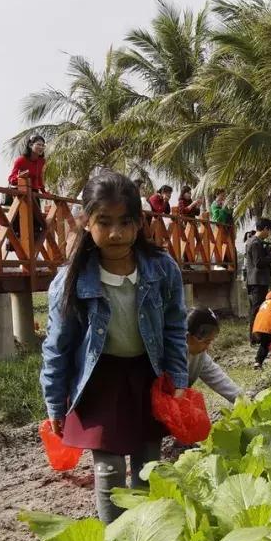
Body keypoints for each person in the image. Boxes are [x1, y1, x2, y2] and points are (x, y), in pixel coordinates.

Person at [40, 171, 186, 523]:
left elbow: (174, 326)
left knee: (148, 464)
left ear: (139, 223)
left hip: (146, 374)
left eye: (125, 222)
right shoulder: (71, 281)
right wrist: (55, 402)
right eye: (104, 222)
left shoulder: (161, 269)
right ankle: (114, 540)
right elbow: (57, 345)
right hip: (99, 380)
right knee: (107, 469)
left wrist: (178, 380)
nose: (116, 233)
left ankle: (147, 533)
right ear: (87, 223)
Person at [186, 307, 242, 404]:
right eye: (206, 342)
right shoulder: (169, 354)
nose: (208, 348)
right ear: (188, 337)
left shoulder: (200, 356)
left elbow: (218, 378)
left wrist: (243, 400)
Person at [6, 135, 48, 249]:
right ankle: (18, 249)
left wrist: (44, 192)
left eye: (42, 145)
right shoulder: (21, 160)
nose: (41, 147)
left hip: (34, 193)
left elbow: (39, 179)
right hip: (20, 193)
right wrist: (20, 176)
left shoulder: (41, 161)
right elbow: (11, 178)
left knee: (38, 224)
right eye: (38, 144)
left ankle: (32, 251)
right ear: (30, 145)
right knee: (20, 223)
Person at [246, 218, 271, 345]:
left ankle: (259, 337)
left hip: (258, 281)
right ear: (266, 228)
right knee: (256, 311)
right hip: (258, 282)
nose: (269, 233)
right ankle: (254, 339)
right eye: (269, 230)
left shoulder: (256, 241)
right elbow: (259, 263)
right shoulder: (255, 243)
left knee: (258, 310)